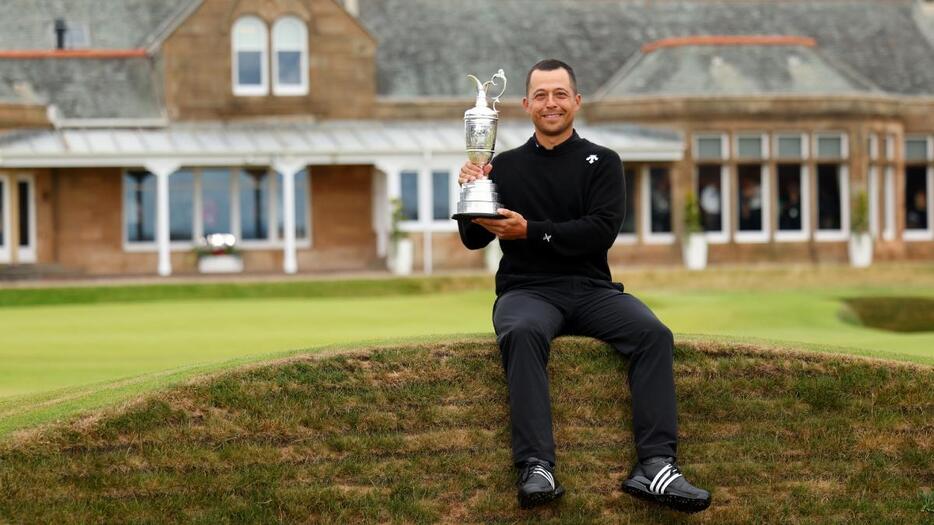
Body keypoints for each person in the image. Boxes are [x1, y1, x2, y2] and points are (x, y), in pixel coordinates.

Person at [456, 59, 711, 513]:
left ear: (576, 100)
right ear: (526, 105)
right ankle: (536, 466)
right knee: (522, 332)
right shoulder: (505, 166)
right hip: (526, 290)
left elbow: (599, 232)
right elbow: (474, 239)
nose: (550, 103)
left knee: (653, 334)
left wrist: (530, 231)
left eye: (559, 94)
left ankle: (655, 466)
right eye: (540, 95)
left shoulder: (603, 162)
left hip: (592, 289)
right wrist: (471, 191)